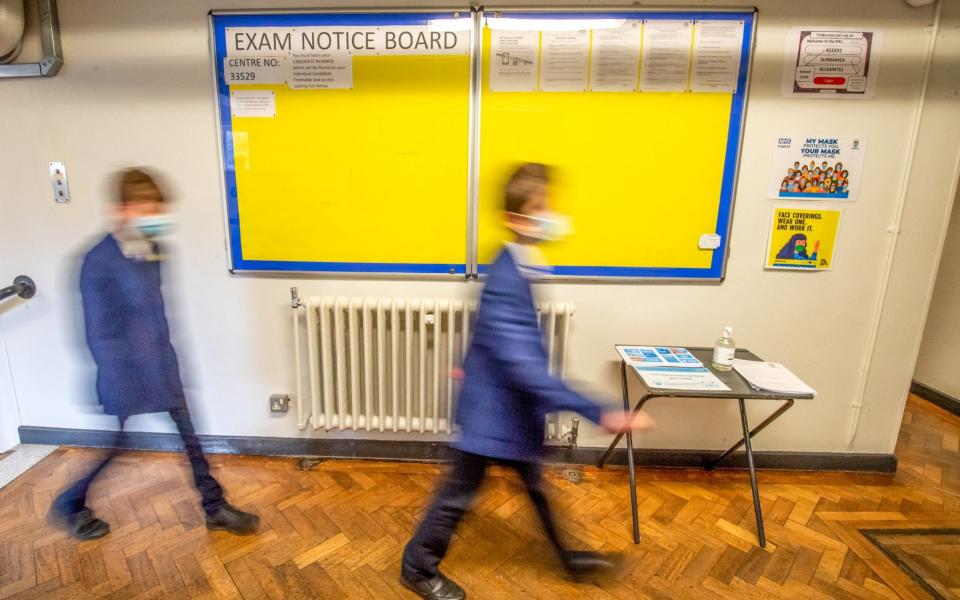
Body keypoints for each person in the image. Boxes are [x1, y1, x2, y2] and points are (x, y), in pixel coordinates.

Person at [400, 163, 654, 600]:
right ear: (515, 218)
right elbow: (526, 366)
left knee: (536, 489)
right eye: (541, 207)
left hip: (506, 408)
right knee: (457, 496)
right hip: (492, 414)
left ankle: (569, 559)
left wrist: (471, 364)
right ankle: (417, 568)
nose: (551, 214)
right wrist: (600, 411)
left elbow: (492, 336)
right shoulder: (506, 278)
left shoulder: (518, 266)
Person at [49, 168, 260, 540]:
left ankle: (214, 507)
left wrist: (169, 363)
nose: (156, 217)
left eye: (158, 209)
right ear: (123, 210)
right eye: (148, 209)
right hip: (125, 374)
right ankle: (70, 503)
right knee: (117, 446)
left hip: (163, 365)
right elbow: (99, 333)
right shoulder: (98, 261)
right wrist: (131, 378)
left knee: (190, 439)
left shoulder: (155, 251)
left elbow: (156, 315)